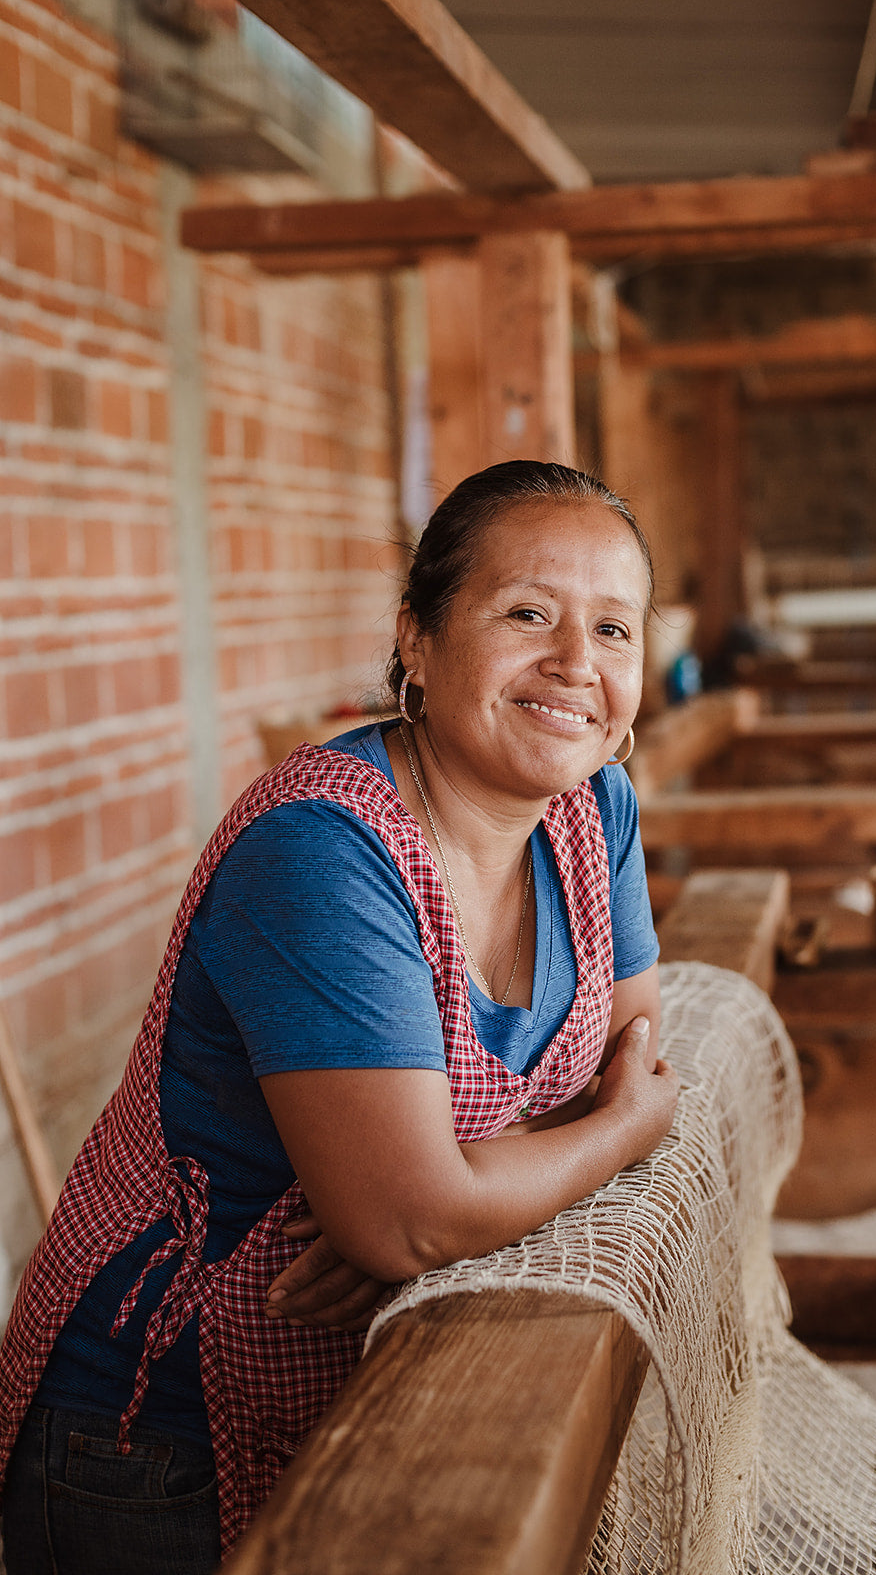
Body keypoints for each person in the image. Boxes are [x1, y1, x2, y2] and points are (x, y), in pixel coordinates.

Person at [0, 460, 678, 1572]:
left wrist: (450, 1200)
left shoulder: (593, 812)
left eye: (614, 629)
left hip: (364, 1366)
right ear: (416, 636)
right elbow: (438, 1203)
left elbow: (628, 1047)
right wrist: (605, 1141)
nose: (576, 664)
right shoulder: (322, 849)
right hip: (148, 1436)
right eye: (526, 614)